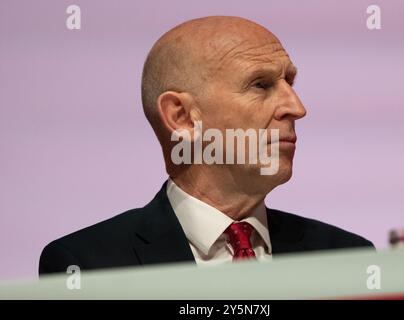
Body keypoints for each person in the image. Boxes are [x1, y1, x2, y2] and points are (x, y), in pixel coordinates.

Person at [39, 16, 373, 275]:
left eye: (290, 82)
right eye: (261, 84)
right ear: (181, 117)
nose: (297, 107)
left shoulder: (347, 257)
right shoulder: (87, 264)